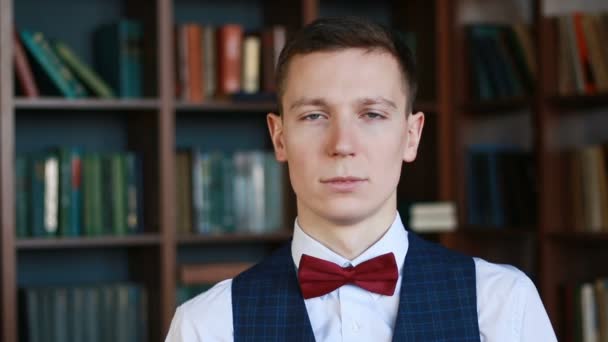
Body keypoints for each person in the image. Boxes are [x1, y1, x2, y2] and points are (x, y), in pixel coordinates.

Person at [165, 16, 557, 341]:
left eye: (371, 114)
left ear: (411, 135)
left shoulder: (504, 305)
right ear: (279, 137)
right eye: (314, 116)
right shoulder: (206, 326)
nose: (342, 145)